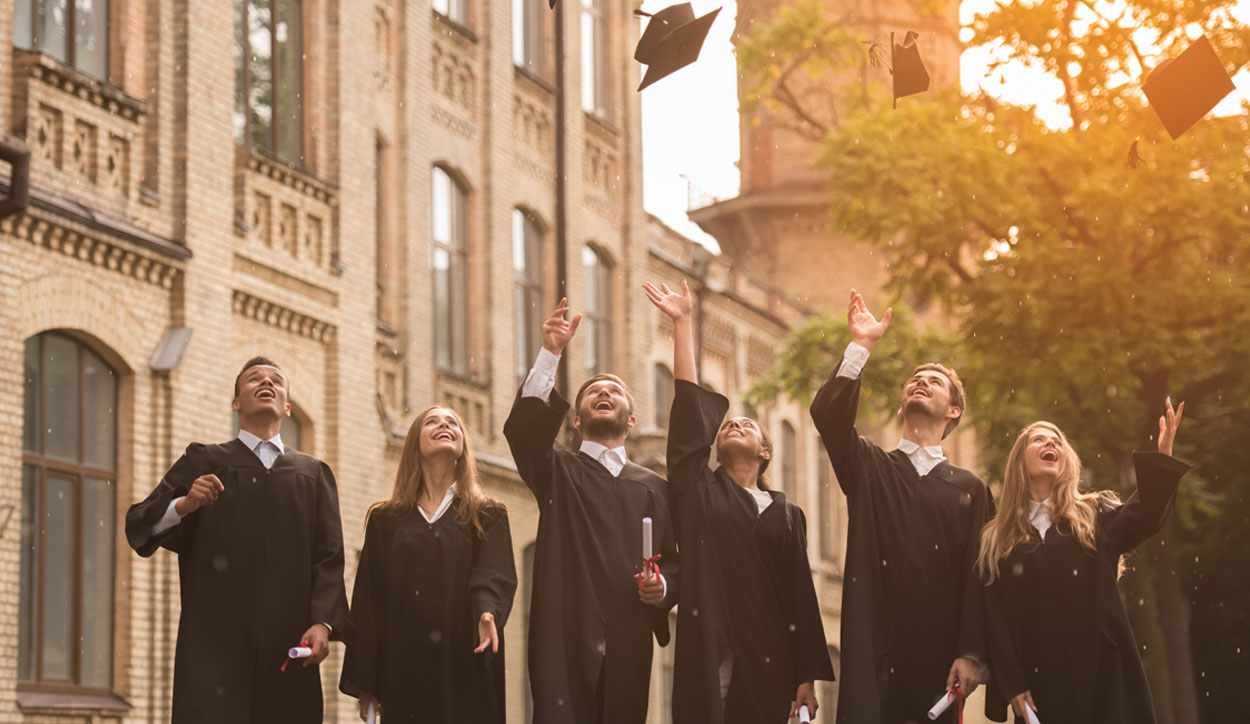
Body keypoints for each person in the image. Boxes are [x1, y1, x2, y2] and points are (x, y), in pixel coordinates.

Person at [645, 280, 835, 723]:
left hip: (768, 653)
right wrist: (682, 322)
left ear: (765, 452)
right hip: (711, 647)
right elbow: (690, 413)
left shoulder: (787, 513)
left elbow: (799, 594)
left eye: (747, 425)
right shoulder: (697, 492)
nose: (734, 425)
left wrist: (805, 675)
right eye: (729, 424)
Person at [125, 357, 348, 724]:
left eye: (276, 380)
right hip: (215, 648)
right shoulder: (206, 461)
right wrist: (185, 504)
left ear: (287, 406)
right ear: (235, 403)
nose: (266, 383)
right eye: (253, 379)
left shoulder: (312, 474)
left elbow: (329, 556)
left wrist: (322, 623)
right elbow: (139, 524)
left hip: (287, 648)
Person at [810, 291, 994, 724]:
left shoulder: (970, 489)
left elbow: (977, 577)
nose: (920, 382)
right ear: (900, 404)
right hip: (873, 648)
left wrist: (971, 653)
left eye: (934, 381)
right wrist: (862, 346)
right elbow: (829, 417)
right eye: (914, 379)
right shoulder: (870, 468)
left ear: (953, 411)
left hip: (938, 659)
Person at [503, 298, 679, 724]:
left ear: (631, 419)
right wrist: (551, 353)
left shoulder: (655, 488)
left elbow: (677, 564)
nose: (604, 392)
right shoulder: (557, 470)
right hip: (565, 631)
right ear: (576, 420)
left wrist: (665, 590)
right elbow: (524, 431)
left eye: (614, 390)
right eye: (594, 391)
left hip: (629, 636)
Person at [980, 401, 1187, 724]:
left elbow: (1145, 515)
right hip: (1042, 681)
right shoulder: (1000, 539)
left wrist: (1162, 458)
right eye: (1039, 439)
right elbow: (997, 617)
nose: (1051, 443)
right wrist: (1012, 683)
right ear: (1019, 461)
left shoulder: (1095, 516)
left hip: (1104, 671)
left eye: (1057, 440)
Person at [340, 405, 517, 723]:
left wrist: (487, 611)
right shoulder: (387, 519)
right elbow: (369, 601)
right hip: (404, 668)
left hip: (465, 660)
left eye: (453, 423)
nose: (444, 425)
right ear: (413, 444)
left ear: (463, 448)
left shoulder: (487, 514)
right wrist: (367, 682)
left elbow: (493, 573)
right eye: (432, 422)